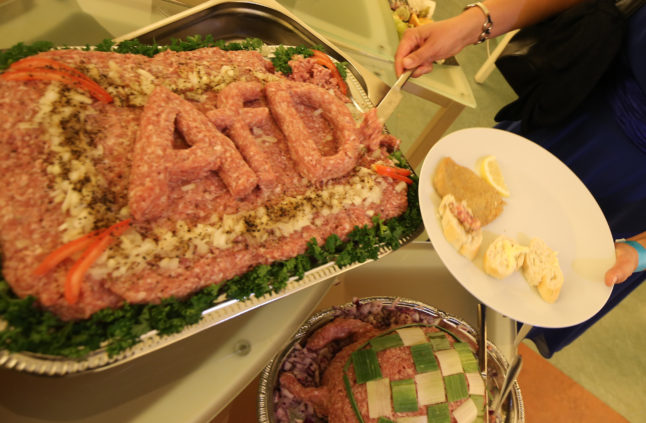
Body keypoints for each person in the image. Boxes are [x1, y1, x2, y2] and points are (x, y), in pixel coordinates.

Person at [395, 0, 646, 357]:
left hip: (629, 198)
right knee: (447, 241)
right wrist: (473, 24)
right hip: (574, 107)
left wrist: (640, 251)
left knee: (489, 319)